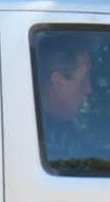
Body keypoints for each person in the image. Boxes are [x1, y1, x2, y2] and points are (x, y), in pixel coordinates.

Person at [36, 33, 96, 161]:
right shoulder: (37, 138)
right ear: (57, 82)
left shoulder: (59, 131)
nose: (89, 89)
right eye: (84, 79)